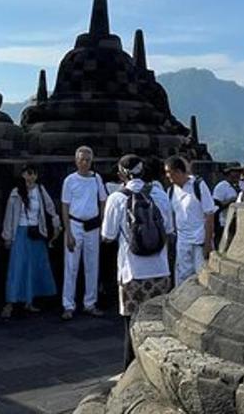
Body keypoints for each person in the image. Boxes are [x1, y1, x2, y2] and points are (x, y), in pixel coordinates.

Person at [101, 154, 174, 369]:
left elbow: (108, 235)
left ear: (121, 174)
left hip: (131, 272)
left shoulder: (117, 198)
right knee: (159, 323)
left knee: (132, 324)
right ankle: (160, 368)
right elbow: (169, 229)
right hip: (160, 270)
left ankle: (132, 371)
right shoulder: (159, 194)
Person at [1, 164, 61, 319]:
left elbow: (50, 207)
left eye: (33, 174)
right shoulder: (16, 193)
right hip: (20, 232)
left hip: (36, 231)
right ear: (23, 175)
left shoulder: (40, 190)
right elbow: (9, 215)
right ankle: (11, 302)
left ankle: (30, 300)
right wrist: (7, 236)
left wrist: (56, 224)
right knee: (18, 267)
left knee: (34, 266)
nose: (31, 177)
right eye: (28, 173)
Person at [60, 145, 107, 320]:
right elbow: (65, 206)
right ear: (76, 161)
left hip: (92, 226)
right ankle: (68, 304)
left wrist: (102, 222)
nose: (85, 163)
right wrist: (68, 232)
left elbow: (103, 201)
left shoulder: (96, 178)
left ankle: (90, 303)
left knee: (92, 265)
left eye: (88, 160)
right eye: (81, 160)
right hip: (75, 224)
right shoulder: (70, 180)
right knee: (71, 266)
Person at [165, 156, 216, 286]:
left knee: (202, 277)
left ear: (178, 172)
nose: (167, 176)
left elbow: (209, 214)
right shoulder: (171, 191)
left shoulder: (198, 185)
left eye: (169, 172)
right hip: (182, 241)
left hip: (200, 240)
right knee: (182, 278)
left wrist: (208, 243)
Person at [211, 164, 242, 244]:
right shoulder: (221, 187)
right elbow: (216, 206)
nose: (238, 174)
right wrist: (231, 201)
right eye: (235, 171)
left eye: (239, 171)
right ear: (228, 173)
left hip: (238, 223)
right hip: (224, 223)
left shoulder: (242, 185)